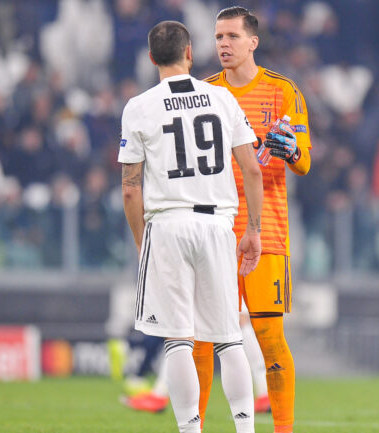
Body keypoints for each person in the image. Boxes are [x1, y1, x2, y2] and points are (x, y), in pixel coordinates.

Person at [119, 20, 264, 433]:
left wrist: (142, 242)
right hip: (217, 224)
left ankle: (190, 429)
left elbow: (131, 190)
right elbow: (251, 169)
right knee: (229, 339)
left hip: (167, 225)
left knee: (178, 341)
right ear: (189, 54)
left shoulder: (139, 107)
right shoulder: (221, 98)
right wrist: (253, 229)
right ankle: (245, 429)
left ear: (151, 59)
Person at [192, 7, 312, 433]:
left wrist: (289, 150)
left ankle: (283, 430)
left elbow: (304, 164)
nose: (223, 44)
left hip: (268, 233)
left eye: (231, 36)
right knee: (202, 340)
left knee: (270, 339)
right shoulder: (203, 92)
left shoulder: (283, 91)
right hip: (214, 231)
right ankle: (196, 427)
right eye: (218, 36)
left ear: (252, 42)